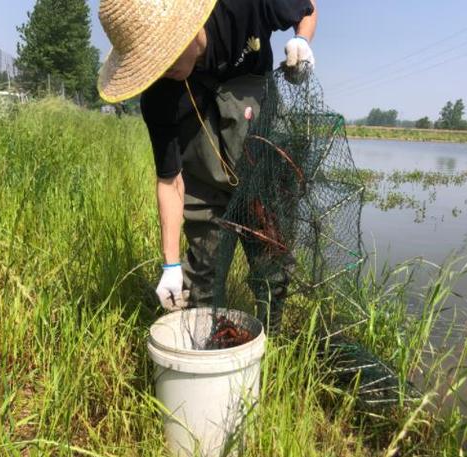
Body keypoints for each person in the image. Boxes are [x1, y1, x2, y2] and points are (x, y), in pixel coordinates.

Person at [98, 0, 317, 329]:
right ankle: (205, 342)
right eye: (151, 64)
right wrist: (170, 266)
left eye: (165, 56)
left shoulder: (244, 8)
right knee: (202, 281)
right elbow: (169, 181)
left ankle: (271, 344)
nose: (161, 71)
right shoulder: (159, 96)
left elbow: (308, 8)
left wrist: (302, 41)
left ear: (184, 28)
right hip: (204, 185)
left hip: (262, 163)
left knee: (273, 271)